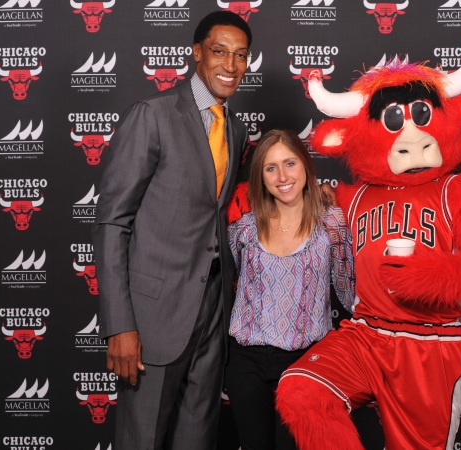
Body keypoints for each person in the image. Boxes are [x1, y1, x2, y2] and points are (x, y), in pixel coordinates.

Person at [92, 11, 252, 450]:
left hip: (212, 316)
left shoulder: (235, 130)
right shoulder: (153, 115)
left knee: (197, 441)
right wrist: (119, 326)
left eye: (241, 56)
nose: (230, 65)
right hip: (152, 322)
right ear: (197, 53)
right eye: (220, 51)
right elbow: (112, 222)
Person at [224, 129, 356, 450]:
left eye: (290, 163)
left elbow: (351, 291)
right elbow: (219, 289)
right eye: (271, 168)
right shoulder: (243, 228)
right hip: (246, 362)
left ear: (306, 167)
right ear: (261, 178)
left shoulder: (331, 221)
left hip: (306, 361)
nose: (283, 176)